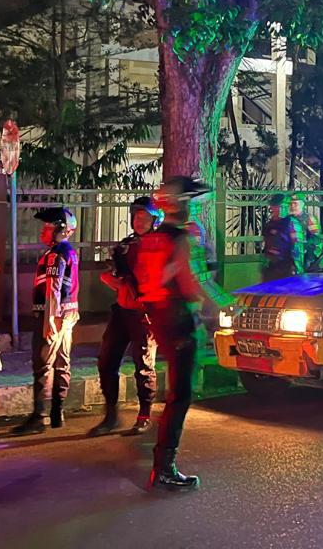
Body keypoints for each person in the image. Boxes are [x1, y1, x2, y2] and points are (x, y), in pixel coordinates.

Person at [136, 176, 209, 492]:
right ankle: (164, 466)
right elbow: (192, 284)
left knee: (175, 393)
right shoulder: (180, 239)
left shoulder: (151, 239)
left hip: (158, 319)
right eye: (190, 201)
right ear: (180, 204)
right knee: (180, 395)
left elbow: (141, 279)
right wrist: (220, 307)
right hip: (179, 320)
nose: (192, 206)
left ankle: (162, 459)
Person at [89, 196, 160, 437]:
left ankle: (144, 415)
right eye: (136, 217)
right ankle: (110, 415)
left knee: (144, 364)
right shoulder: (126, 245)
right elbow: (117, 276)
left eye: (144, 217)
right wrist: (112, 278)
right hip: (122, 311)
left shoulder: (158, 247)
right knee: (107, 361)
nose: (139, 221)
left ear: (155, 220)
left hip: (144, 313)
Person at [14, 207, 81, 434]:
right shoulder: (69, 251)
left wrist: (50, 321)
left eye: (48, 227)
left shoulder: (55, 254)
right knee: (62, 363)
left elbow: (53, 288)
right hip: (67, 315)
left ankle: (39, 417)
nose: (43, 231)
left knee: (43, 365)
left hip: (53, 315)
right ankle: (57, 413)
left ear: (61, 230)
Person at [261, 194, 304, 282]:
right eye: (277, 206)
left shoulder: (292, 224)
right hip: (271, 268)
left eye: (283, 206)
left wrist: (297, 269)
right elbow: (266, 245)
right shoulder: (270, 224)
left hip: (286, 269)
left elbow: (297, 248)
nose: (280, 209)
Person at [288, 193, 323, 265]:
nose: (292, 206)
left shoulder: (309, 219)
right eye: (291, 204)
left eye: (295, 204)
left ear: (302, 204)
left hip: (304, 256)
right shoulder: (288, 219)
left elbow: (316, 240)